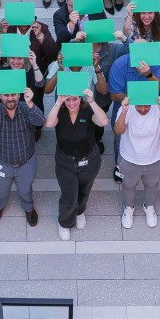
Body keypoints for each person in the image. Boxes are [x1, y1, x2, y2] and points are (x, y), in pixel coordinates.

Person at [45, 87, 109, 240]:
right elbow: (49, 124)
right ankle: (65, 222)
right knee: (69, 194)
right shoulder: (60, 112)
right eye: (68, 99)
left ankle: (80, 211)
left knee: (84, 190)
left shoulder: (87, 111)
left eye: (75, 99)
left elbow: (103, 121)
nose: (72, 103)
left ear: (81, 99)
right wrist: (58, 102)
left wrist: (92, 101)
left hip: (89, 160)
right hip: (65, 161)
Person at [0, 86, 47, 226]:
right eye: (6, 95)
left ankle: (28, 208)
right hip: (1, 163)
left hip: (26, 162)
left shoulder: (26, 107)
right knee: (1, 189)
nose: (10, 98)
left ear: (19, 94)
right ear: (0, 96)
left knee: (26, 189)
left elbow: (40, 121)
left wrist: (31, 103)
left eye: (13, 94)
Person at [113, 91, 160, 229]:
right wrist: (123, 112)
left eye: (146, 106)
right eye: (139, 106)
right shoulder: (126, 108)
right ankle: (128, 208)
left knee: (152, 185)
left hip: (155, 159)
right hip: (129, 159)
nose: (143, 109)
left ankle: (149, 206)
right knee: (128, 185)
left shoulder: (158, 108)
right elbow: (118, 130)